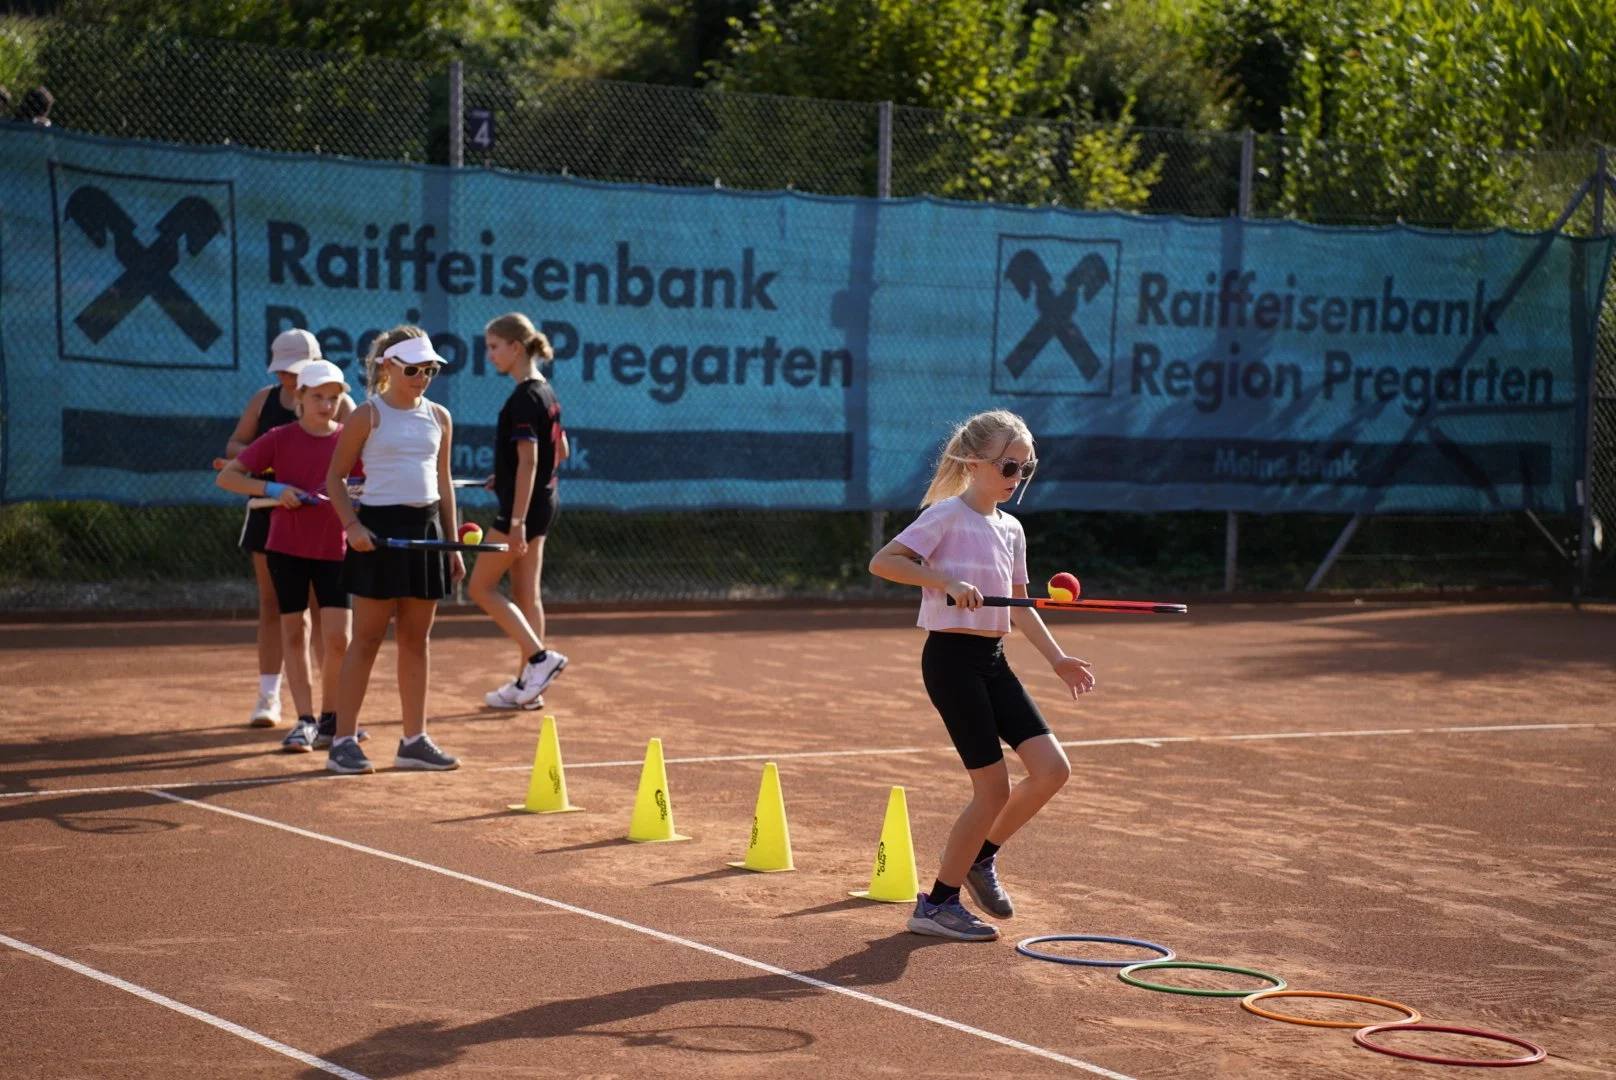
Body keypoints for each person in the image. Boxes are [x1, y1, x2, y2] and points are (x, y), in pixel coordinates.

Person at [868, 410, 1096, 942]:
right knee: (991, 789)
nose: (1019, 478)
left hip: (993, 660)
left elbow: (1019, 604)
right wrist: (943, 579)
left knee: (1051, 770)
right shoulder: (946, 515)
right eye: (1011, 466)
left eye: (1027, 468)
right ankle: (937, 904)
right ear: (974, 462)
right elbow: (884, 561)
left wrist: (1058, 659)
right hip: (950, 661)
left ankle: (979, 857)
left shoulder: (1011, 528)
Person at [323, 326, 464, 774]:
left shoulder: (440, 416)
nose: (422, 376)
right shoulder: (367, 415)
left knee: (415, 640)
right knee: (365, 640)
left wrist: (452, 542)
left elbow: (444, 484)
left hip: (426, 531)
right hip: (378, 531)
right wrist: (352, 526)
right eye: (414, 369)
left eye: (430, 369)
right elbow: (335, 480)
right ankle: (343, 741)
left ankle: (413, 741)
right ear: (388, 367)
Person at [216, 361, 357, 752]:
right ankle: (305, 720)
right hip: (286, 549)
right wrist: (275, 489)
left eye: (333, 398)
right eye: (318, 397)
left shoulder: (350, 439)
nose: (326, 405)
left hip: (335, 549)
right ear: (300, 398)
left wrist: (359, 498)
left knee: (339, 639)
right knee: (294, 632)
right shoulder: (279, 437)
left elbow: (365, 484)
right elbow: (227, 476)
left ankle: (331, 719)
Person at [469, 313, 569, 711]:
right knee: (527, 594)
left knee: (480, 587)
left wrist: (516, 522)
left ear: (515, 346)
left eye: (494, 346)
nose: (490, 354)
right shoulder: (546, 393)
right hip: (544, 502)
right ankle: (530, 686)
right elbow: (561, 452)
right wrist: (506, 474)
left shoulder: (524, 398)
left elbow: (530, 463)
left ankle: (541, 660)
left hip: (522, 512)